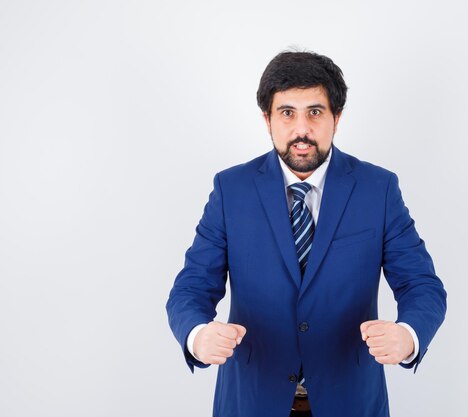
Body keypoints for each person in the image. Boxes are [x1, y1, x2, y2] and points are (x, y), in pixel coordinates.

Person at [166, 50, 447, 417]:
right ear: (267, 119)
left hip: (351, 402)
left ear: (336, 118)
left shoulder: (378, 189)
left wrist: (408, 334)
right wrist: (197, 335)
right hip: (251, 402)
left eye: (315, 112)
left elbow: (422, 285)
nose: (302, 130)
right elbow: (190, 288)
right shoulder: (230, 190)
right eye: (287, 113)